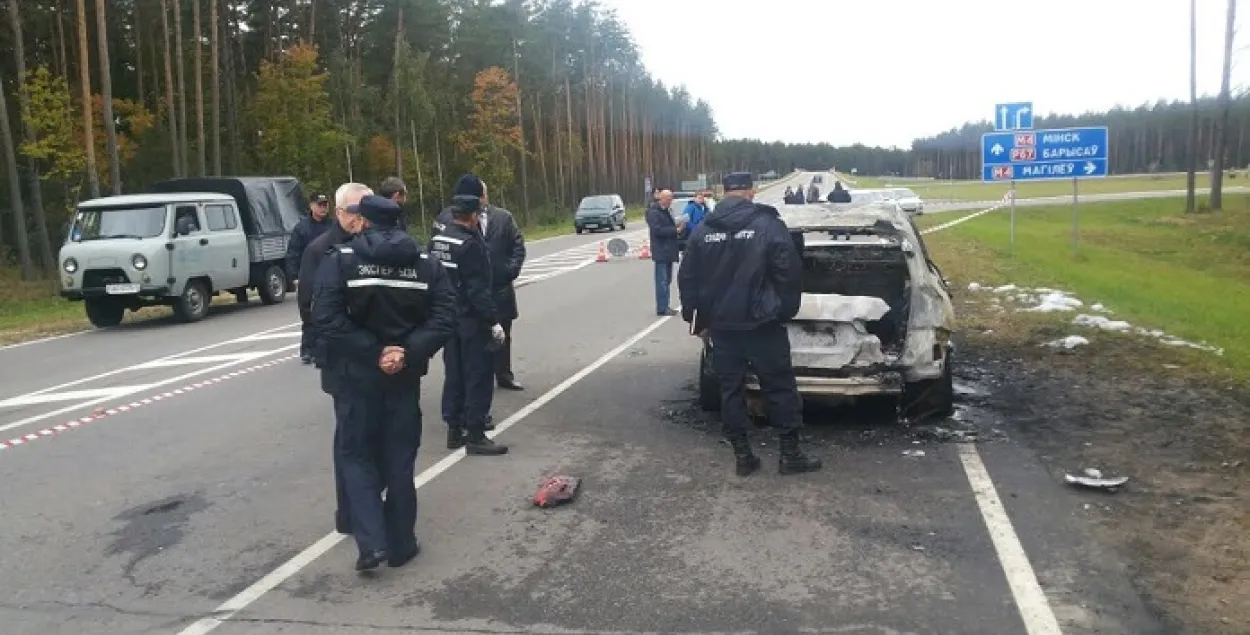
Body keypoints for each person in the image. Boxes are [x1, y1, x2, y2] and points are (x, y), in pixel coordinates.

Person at [312, 194, 456, 571]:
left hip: (356, 378)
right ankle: (401, 543)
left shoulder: (342, 261)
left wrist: (372, 351)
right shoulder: (427, 265)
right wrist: (405, 352)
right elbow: (444, 318)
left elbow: (325, 318)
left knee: (356, 456)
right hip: (403, 378)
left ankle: (371, 544)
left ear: (363, 221)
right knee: (400, 456)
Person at [677, 172, 822, 477]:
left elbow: (687, 277)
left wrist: (695, 316)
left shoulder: (703, 229)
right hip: (763, 323)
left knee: (730, 390)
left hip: (722, 326)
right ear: (751, 192)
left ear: (725, 192)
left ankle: (743, 456)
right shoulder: (768, 224)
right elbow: (788, 271)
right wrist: (785, 310)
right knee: (779, 386)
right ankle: (789, 454)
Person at [297, 182, 370, 535]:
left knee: (373, 438)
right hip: (342, 359)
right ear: (341, 213)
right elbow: (310, 308)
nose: (363, 218)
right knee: (349, 440)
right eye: (358, 211)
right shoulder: (321, 249)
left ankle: (369, 504)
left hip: (372, 359)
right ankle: (349, 514)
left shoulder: (374, 243)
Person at [429, 193, 510, 456]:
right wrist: (492, 321)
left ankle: (454, 428)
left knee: (454, 374)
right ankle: (475, 433)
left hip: (447, 317)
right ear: (474, 216)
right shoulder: (469, 245)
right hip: (471, 319)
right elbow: (477, 289)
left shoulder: (439, 239)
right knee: (478, 375)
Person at [431, 174, 527, 392]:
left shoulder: (503, 217)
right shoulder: (447, 219)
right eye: (480, 195)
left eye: (484, 194)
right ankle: (468, 396)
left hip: (499, 288)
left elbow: (518, 245)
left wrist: (509, 270)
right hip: (464, 295)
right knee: (469, 349)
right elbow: (437, 251)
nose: (484, 198)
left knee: (502, 333)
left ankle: (504, 374)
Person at [288, 193, 332, 363]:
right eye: (320, 205)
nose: (323, 208)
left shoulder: (332, 226)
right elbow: (293, 253)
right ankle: (307, 349)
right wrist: (295, 277)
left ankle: (324, 348)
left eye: (325, 205)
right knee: (308, 313)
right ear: (312, 206)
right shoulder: (302, 228)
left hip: (329, 273)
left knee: (328, 311)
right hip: (308, 276)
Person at [645, 189, 681, 316]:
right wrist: (674, 230)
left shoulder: (666, 211)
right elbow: (657, 230)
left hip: (669, 250)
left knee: (667, 280)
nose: (670, 201)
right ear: (662, 198)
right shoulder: (654, 212)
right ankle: (662, 307)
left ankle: (665, 305)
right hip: (661, 250)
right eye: (668, 199)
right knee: (662, 280)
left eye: (671, 198)